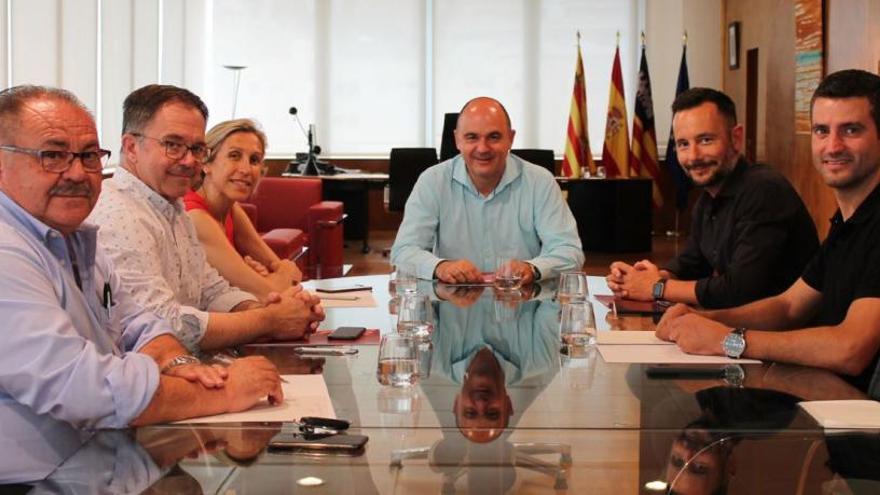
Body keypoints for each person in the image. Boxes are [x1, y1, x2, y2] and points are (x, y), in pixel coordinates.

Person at [0, 85, 284, 438]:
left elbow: (136, 321)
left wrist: (177, 362)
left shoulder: (74, 235)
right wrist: (221, 390)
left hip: (105, 452)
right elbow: (82, 387)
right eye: (53, 156)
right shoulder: (8, 251)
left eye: (89, 156)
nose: (77, 173)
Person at [656, 69, 880, 391]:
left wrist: (730, 341)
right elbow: (788, 306)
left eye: (851, 130)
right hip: (827, 397)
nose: (832, 146)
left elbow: (851, 349)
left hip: (859, 417)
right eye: (821, 130)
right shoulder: (848, 221)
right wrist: (704, 320)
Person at [88, 84, 323, 352]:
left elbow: (210, 290)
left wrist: (274, 312)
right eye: (173, 145)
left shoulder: (172, 208)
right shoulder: (120, 215)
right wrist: (269, 320)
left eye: (197, 148)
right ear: (131, 147)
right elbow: (163, 325)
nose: (189, 161)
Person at [607, 88, 818, 309]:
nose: (693, 156)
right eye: (683, 144)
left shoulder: (765, 190)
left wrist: (657, 287)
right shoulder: (708, 200)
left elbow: (739, 290)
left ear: (736, 138)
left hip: (787, 334)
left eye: (705, 140)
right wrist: (638, 279)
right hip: (741, 327)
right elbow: (691, 265)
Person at [390, 96, 584, 284]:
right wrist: (440, 266)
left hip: (520, 305)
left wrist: (532, 268)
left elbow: (569, 251)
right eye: (472, 137)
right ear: (457, 140)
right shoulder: (432, 181)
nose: (482, 148)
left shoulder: (540, 182)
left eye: (494, 137)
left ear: (511, 138)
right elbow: (404, 251)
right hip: (452, 307)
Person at [184, 118, 302, 301]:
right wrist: (269, 277)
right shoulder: (195, 216)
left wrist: (267, 276)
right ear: (206, 163)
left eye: (254, 160)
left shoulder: (232, 208)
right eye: (234, 155)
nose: (246, 169)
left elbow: (285, 273)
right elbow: (271, 292)